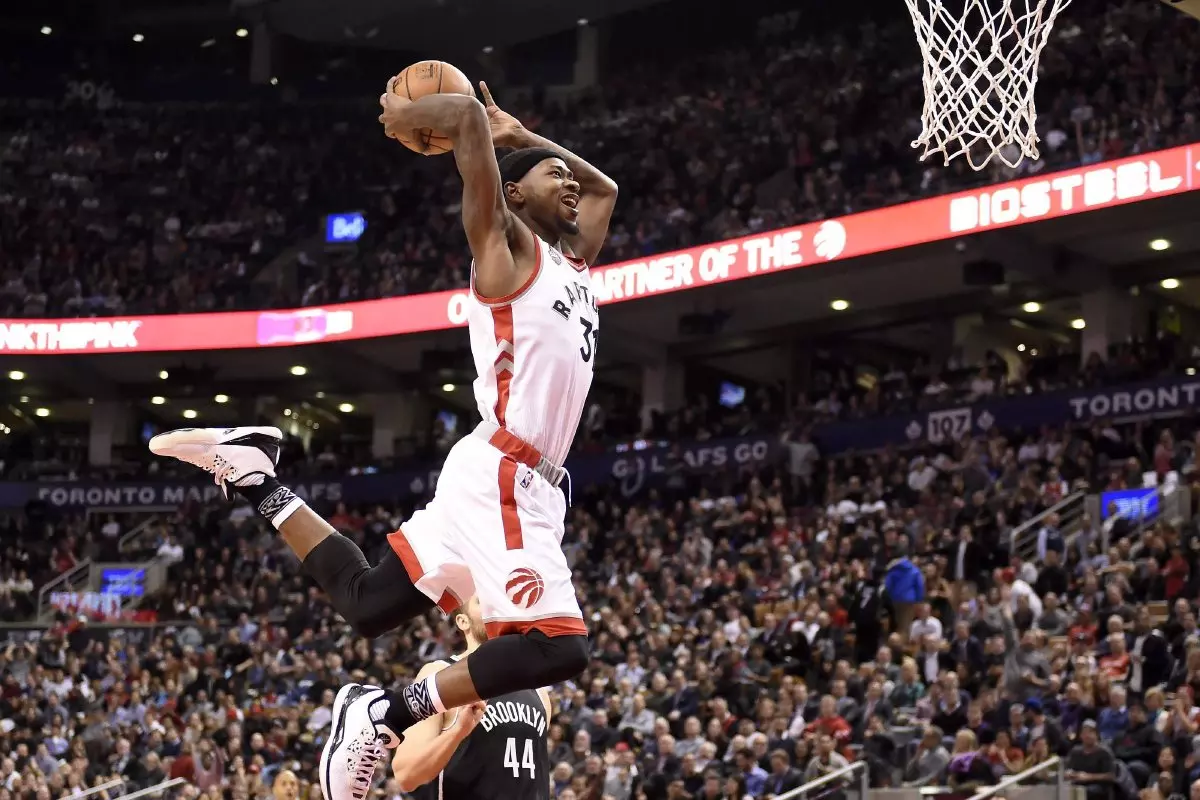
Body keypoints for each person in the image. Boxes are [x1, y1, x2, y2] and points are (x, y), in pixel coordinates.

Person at [147, 77, 618, 800]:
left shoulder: (574, 262)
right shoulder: (506, 250)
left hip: (510, 478)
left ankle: (252, 472)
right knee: (559, 647)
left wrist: (526, 138)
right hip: (506, 472)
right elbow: (467, 122)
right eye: (551, 174)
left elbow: (606, 188)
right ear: (512, 197)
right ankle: (389, 713)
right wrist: (433, 115)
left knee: (368, 603)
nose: (570, 181)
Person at [395, 596, 551, 800]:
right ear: (463, 622)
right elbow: (406, 775)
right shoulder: (436, 675)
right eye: (482, 600)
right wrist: (458, 732)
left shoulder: (539, 691)